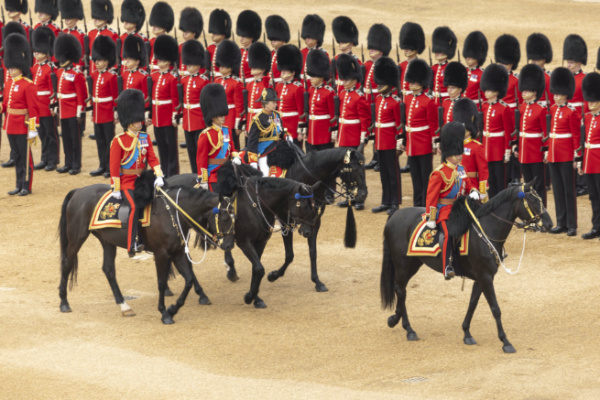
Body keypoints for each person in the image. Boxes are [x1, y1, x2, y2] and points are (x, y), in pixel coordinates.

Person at [110, 89, 164, 256]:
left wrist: (159, 175)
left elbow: (152, 158)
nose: (139, 122)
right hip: (127, 181)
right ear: (128, 121)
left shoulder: (145, 138)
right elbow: (114, 167)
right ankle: (132, 243)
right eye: (135, 119)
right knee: (134, 207)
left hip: (143, 180)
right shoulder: (119, 141)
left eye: (139, 119)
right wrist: (116, 188)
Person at [425, 121, 480, 279]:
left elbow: (468, 185)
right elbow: (431, 197)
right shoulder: (439, 173)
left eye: (460, 153)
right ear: (449, 154)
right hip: (445, 211)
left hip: (461, 208)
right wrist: (431, 217)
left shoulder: (461, 169)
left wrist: (474, 191)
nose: (460, 156)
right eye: (457, 153)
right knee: (449, 234)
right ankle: (447, 266)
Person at [2, 33, 38, 196]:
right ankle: (18, 184)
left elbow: (33, 109)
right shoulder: (8, 84)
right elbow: (6, 105)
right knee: (16, 156)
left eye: (12, 67)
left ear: (20, 66)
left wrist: (33, 129)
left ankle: (26, 185)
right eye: (9, 67)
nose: (10, 69)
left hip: (23, 126)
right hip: (10, 125)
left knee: (25, 157)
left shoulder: (28, 85)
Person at [547, 67, 580, 236]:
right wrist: (548, 152)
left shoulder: (571, 112)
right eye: (555, 93)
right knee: (558, 190)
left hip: (566, 155)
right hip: (553, 155)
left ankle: (571, 224)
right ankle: (561, 222)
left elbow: (576, 136)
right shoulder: (553, 109)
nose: (556, 96)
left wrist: (576, 156)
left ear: (566, 94)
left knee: (568, 191)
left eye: (559, 94)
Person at [402, 58, 439, 207]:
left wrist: (434, 143)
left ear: (421, 83)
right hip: (412, 144)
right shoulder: (408, 99)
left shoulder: (428, 101)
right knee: (415, 177)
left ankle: (426, 204)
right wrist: (404, 141)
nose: (410, 84)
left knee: (425, 177)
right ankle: (417, 203)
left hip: (423, 144)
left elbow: (433, 125)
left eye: (413, 82)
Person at [371, 57, 402, 215]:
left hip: (390, 143)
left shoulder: (395, 102)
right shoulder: (378, 99)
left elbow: (399, 126)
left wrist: (399, 144)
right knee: (384, 174)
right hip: (380, 143)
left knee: (392, 174)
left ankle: (395, 202)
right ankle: (386, 201)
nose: (379, 85)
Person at [197, 83, 241, 191]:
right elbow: (201, 160)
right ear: (212, 116)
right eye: (220, 115)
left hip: (228, 171)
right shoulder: (206, 135)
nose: (223, 117)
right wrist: (203, 179)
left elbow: (232, 148)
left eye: (223, 115)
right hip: (213, 174)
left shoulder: (227, 130)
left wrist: (235, 156)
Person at [54, 33, 87, 175]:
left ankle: (76, 164)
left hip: (73, 111)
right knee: (66, 139)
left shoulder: (77, 74)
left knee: (75, 140)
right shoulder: (59, 72)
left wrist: (80, 112)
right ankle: (68, 163)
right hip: (63, 111)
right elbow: (58, 93)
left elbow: (81, 95)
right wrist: (57, 107)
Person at [515, 64, 547, 205]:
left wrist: (546, 150)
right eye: (523, 90)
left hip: (536, 152)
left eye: (526, 91)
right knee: (527, 184)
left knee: (538, 184)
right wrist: (516, 146)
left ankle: (541, 209)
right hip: (524, 152)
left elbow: (545, 132)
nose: (523, 93)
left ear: (534, 92)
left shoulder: (540, 109)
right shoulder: (522, 107)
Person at [148, 34, 180, 178]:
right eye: (159, 60)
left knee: (171, 147)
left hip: (167, 118)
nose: (160, 63)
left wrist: (175, 115)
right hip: (157, 117)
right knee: (161, 146)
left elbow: (175, 100)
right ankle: (165, 171)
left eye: (163, 60)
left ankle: (172, 173)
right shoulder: (155, 76)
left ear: (169, 61)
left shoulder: (172, 78)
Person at [480, 63, 514, 198]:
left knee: (501, 183)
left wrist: (507, 151)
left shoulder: (504, 108)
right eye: (486, 90)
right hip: (487, 149)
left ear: (497, 91)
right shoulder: (484, 107)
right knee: (490, 182)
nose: (486, 92)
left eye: (489, 90)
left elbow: (508, 131)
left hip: (499, 150)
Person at [494, 34, 522, 187]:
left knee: (514, 143)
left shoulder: (516, 80)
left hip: (512, 116)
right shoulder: (495, 79)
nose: (504, 65)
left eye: (507, 63)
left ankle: (515, 175)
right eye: (502, 62)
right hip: (499, 115)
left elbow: (520, 101)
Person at [563, 34, 589, 197]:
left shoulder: (584, 79)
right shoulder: (565, 78)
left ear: (579, 62)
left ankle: (582, 183)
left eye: (571, 62)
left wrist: (582, 120)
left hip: (579, 119)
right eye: (568, 62)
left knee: (581, 149)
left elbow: (586, 103)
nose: (568, 65)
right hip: (567, 119)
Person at [364, 23, 392, 171]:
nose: (371, 49)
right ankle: (375, 157)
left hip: (379, 102)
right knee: (373, 131)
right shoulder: (368, 64)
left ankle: (381, 158)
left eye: (374, 48)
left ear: (381, 49)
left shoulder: (385, 65)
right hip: (369, 103)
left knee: (380, 131)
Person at [89, 36, 118, 178]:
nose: (97, 62)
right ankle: (102, 165)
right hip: (97, 113)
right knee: (100, 141)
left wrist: (116, 113)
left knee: (109, 142)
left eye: (99, 60)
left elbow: (115, 97)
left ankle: (110, 167)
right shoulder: (94, 75)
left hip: (107, 114)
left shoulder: (111, 76)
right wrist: (92, 112)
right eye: (96, 60)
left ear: (107, 61)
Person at [31, 26, 59, 172]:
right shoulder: (34, 68)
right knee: (42, 134)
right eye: (35, 51)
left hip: (47, 106)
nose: (36, 53)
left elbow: (53, 90)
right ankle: (44, 158)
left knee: (51, 134)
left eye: (39, 51)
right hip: (37, 106)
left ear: (46, 52)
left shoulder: (51, 68)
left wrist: (54, 106)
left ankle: (53, 160)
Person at [181, 39, 209, 174]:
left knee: (200, 151)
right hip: (187, 120)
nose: (188, 66)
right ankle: (194, 174)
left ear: (198, 65)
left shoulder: (203, 81)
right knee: (191, 150)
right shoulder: (184, 80)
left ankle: (202, 174)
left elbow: (206, 103)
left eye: (191, 64)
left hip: (199, 120)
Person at [452, 98, 489, 200]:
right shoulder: (454, 145)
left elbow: (483, 171)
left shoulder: (476, 147)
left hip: (472, 187)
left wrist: (482, 191)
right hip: (456, 186)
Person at [578, 73, 600, 239]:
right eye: (589, 100)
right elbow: (583, 143)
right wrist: (581, 162)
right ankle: (596, 227)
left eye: (593, 101)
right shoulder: (586, 118)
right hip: (589, 163)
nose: (590, 103)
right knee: (593, 196)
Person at [246, 88, 287, 176]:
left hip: (278, 148)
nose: (276, 104)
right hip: (264, 151)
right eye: (273, 102)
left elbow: (280, 131)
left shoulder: (276, 115)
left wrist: (286, 136)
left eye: (276, 102)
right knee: (265, 174)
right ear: (265, 103)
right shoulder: (258, 119)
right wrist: (253, 161)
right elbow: (252, 142)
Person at [214, 40, 244, 150]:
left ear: (231, 66)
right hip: (218, 120)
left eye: (224, 65)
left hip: (230, 121)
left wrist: (238, 124)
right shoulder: (217, 81)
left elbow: (239, 105)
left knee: (232, 148)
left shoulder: (236, 83)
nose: (221, 67)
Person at [304, 48, 335, 152]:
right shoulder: (310, 90)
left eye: (314, 76)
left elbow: (333, 115)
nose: (311, 78)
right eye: (311, 76)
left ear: (321, 76)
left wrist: (334, 131)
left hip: (324, 134)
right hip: (311, 133)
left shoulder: (329, 92)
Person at [275, 44, 305, 149]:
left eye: (286, 70)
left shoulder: (298, 88)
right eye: (282, 69)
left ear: (293, 72)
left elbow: (301, 111)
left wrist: (300, 131)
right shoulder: (279, 86)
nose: (282, 72)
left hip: (293, 129)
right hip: (280, 128)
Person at [245, 42, 272, 133]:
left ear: (263, 69)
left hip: (262, 124)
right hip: (250, 123)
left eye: (256, 66)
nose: (252, 68)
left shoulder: (266, 84)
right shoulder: (249, 84)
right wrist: (247, 127)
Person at [332, 16, 361, 96]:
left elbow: (357, 82)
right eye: (340, 41)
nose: (341, 42)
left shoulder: (355, 61)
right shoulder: (336, 59)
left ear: (351, 44)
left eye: (343, 41)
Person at [88, 0, 118, 74]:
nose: (96, 19)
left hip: (105, 71)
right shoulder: (91, 33)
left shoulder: (112, 34)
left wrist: (113, 69)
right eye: (95, 17)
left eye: (98, 17)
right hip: (92, 71)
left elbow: (115, 55)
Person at [300, 14, 328, 90]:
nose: (306, 39)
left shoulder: (322, 54)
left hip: (314, 88)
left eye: (309, 37)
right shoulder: (301, 52)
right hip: (301, 88)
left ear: (316, 38)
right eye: (306, 37)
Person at [431, 27, 457, 107]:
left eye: (439, 51)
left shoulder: (450, 68)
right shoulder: (433, 68)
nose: (436, 53)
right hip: (434, 101)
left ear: (445, 52)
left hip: (445, 101)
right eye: (436, 51)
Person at [119, 0, 148, 73]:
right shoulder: (121, 37)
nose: (126, 21)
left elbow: (144, 61)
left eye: (129, 20)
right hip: (123, 73)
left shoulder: (142, 38)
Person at [526, 33, 553, 108]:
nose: (534, 62)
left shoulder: (548, 78)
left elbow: (552, 100)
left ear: (544, 60)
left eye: (537, 60)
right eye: (533, 60)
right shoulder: (527, 77)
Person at [399, 22, 425, 98]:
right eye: (405, 47)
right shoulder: (401, 65)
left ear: (415, 49)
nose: (406, 49)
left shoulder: (421, 66)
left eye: (409, 47)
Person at [462, 31, 488, 107]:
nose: (468, 58)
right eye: (467, 56)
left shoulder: (482, 74)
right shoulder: (462, 71)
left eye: (471, 56)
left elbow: (485, 98)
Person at [59, 0, 86, 70]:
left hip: (74, 69)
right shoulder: (62, 33)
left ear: (76, 19)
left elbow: (80, 56)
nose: (67, 19)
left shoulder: (80, 35)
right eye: (66, 17)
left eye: (69, 17)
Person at [148, 2, 174, 73]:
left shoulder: (169, 43)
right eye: (154, 24)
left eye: (157, 25)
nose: (154, 27)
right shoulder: (151, 42)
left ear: (164, 26)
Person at [236, 10, 261, 84]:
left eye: (244, 36)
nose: (241, 39)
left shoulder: (256, 52)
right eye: (241, 36)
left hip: (251, 84)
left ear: (252, 36)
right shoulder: (239, 51)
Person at [178, 7, 204, 77]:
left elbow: (201, 69)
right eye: (184, 31)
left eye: (188, 31)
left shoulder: (198, 48)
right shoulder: (180, 47)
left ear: (194, 33)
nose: (185, 33)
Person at [207, 9, 231, 81]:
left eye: (216, 33)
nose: (213, 35)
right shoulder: (210, 48)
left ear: (223, 34)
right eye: (213, 33)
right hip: (211, 80)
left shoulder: (229, 48)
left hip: (223, 80)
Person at [440, 61, 468, 125]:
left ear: (460, 89)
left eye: (453, 88)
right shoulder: (445, 102)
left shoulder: (463, 104)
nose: (449, 90)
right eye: (448, 87)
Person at [265, 15, 290, 85]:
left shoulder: (287, 54)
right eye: (272, 39)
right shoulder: (270, 54)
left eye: (276, 39)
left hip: (280, 86)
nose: (273, 41)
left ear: (283, 40)